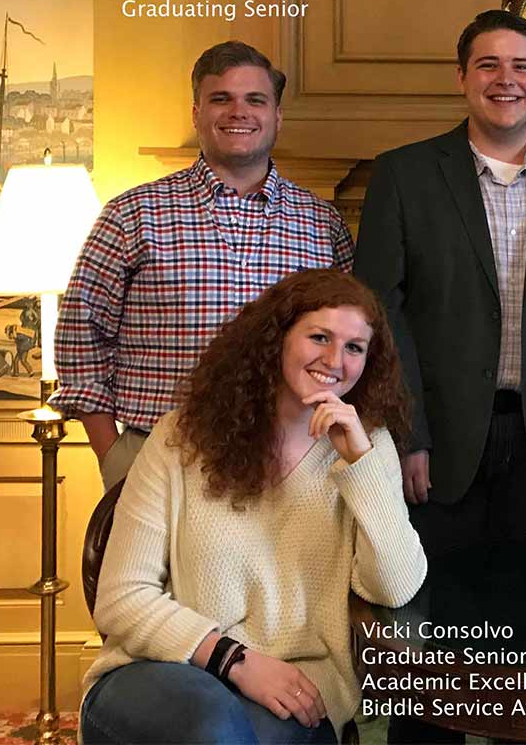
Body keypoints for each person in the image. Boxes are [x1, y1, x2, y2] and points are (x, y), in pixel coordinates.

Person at [355, 10, 526, 745]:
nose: (507, 80)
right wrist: (405, 435)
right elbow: (378, 315)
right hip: (434, 445)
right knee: (429, 640)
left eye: (522, 67)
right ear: (463, 78)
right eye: (489, 65)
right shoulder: (406, 175)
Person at [80, 269, 427, 745]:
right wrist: (233, 660)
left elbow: (394, 587)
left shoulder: (368, 449)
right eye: (319, 337)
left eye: (354, 348)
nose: (334, 360)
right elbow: (121, 600)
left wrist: (360, 464)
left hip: (296, 686)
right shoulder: (180, 438)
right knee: (213, 729)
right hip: (164, 670)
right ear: (277, 339)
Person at [53, 41, 355, 490]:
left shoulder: (321, 223)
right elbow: (80, 336)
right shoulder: (132, 215)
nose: (239, 112)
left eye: (255, 100)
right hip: (158, 458)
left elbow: (350, 345)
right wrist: (113, 455)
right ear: (197, 114)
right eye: (221, 99)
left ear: (276, 117)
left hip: (290, 462)